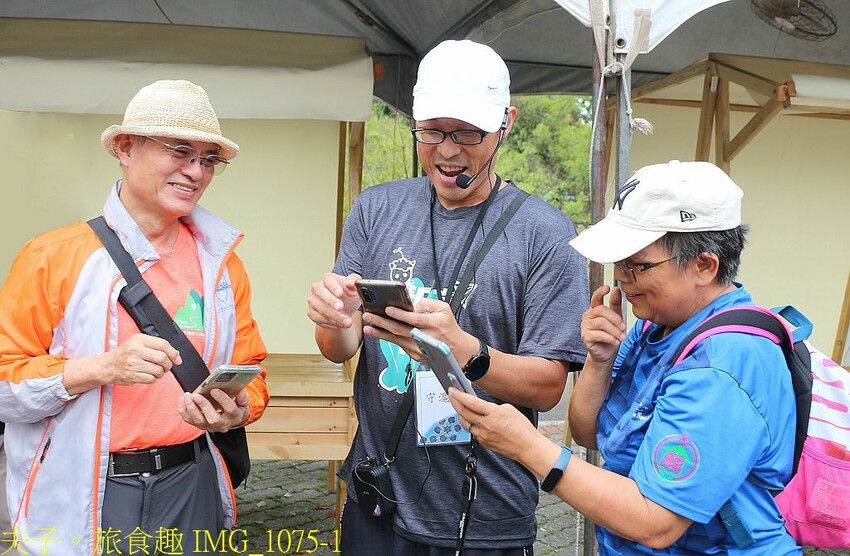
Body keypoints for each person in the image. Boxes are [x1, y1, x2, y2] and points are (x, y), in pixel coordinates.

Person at [307, 39, 588, 555]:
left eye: (467, 132)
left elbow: (548, 387)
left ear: (506, 123)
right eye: (432, 130)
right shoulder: (376, 209)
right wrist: (335, 317)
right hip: (379, 493)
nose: (448, 150)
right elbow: (338, 348)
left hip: (485, 507)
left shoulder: (546, 234)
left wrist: (465, 351)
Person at [449, 160, 801, 554]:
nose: (621, 277)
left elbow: (655, 521)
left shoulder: (722, 364)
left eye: (637, 265)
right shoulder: (658, 326)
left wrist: (528, 446)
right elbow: (589, 433)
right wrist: (599, 360)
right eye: (619, 262)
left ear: (704, 265)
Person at [0, 79, 269, 555]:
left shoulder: (222, 266)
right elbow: (5, 384)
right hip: (88, 488)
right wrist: (102, 367)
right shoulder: (52, 257)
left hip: (193, 482)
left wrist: (239, 408)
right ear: (125, 148)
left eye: (209, 160)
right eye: (180, 151)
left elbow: (251, 369)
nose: (195, 172)